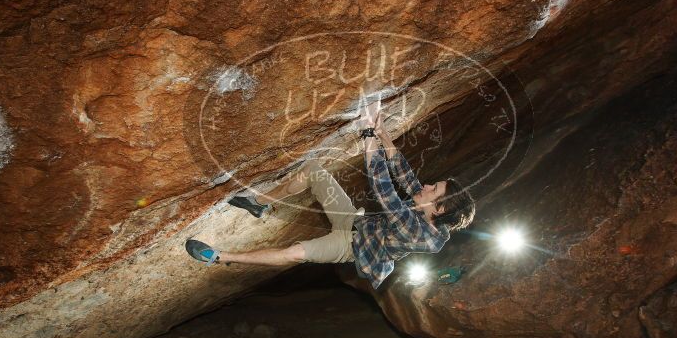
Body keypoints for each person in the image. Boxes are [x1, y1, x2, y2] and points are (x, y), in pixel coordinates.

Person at [187, 102, 475, 289]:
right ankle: (258, 204)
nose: (425, 187)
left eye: (432, 190)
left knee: (295, 253)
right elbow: (405, 176)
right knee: (313, 170)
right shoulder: (425, 207)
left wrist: (367, 135)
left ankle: (219, 256)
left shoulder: (423, 236)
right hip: (354, 220)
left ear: (437, 210)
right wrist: (382, 132)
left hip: (350, 246)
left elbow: (383, 187)